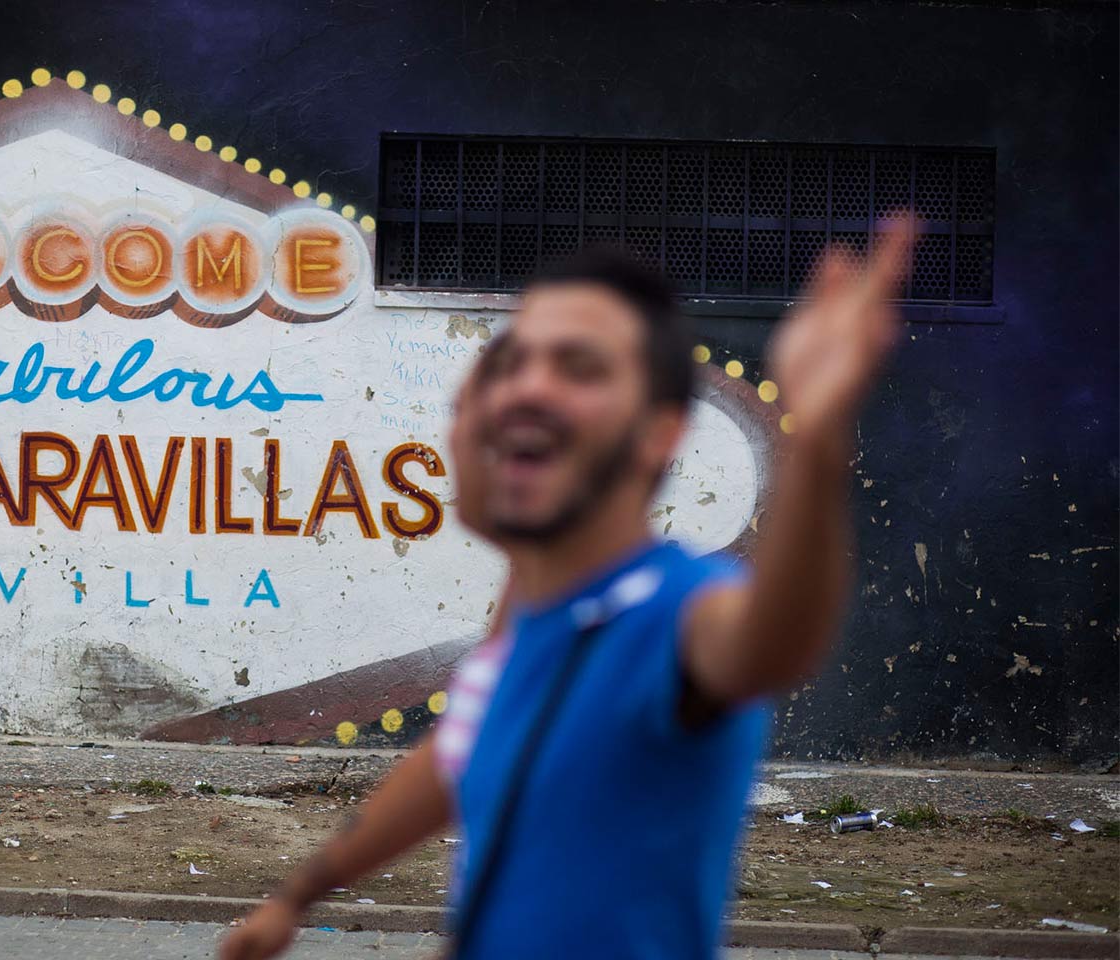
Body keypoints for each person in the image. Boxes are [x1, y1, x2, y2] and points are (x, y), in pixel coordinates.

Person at [220, 218, 916, 960]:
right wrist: (297, 897)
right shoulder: (529, 605)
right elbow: (459, 754)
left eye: (579, 368)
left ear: (659, 431)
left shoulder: (677, 609)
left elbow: (773, 643)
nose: (529, 387)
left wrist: (817, 443)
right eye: (512, 363)